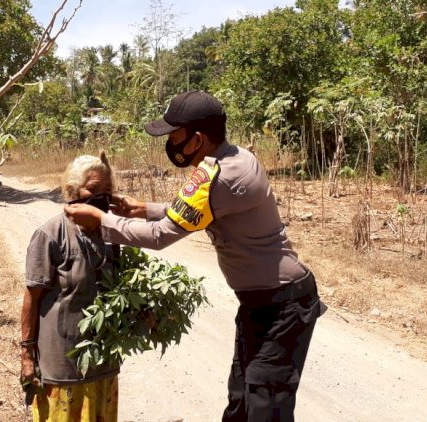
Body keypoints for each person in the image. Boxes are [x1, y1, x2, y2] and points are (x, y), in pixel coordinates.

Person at [64, 90, 326, 422]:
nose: (170, 144)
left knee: (265, 402)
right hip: (261, 302)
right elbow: (194, 212)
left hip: (283, 305)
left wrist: (102, 221)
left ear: (197, 138)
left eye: (174, 136)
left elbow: (161, 236)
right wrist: (142, 209)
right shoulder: (233, 158)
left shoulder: (222, 176)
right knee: (242, 398)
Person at [20, 153, 121, 422]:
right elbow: (32, 296)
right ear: (72, 191)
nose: (101, 197)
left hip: (104, 359)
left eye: (107, 191)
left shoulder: (111, 235)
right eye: (93, 190)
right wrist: (27, 355)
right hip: (62, 363)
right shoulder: (50, 235)